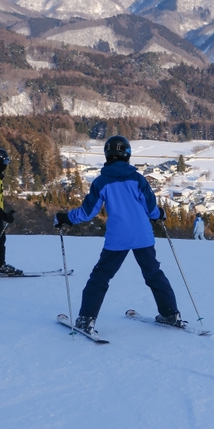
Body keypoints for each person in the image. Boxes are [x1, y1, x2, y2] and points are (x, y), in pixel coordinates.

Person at [54, 135, 182, 333]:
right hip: (143, 236)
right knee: (154, 274)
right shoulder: (138, 179)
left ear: (107, 154)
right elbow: (151, 209)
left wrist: (66, 218)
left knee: (100, 277)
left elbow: (88, 213)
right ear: (127, 155)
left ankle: (86, 319)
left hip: (118, 238)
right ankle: (170, 314)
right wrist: (161, 215)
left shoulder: (102, 182)